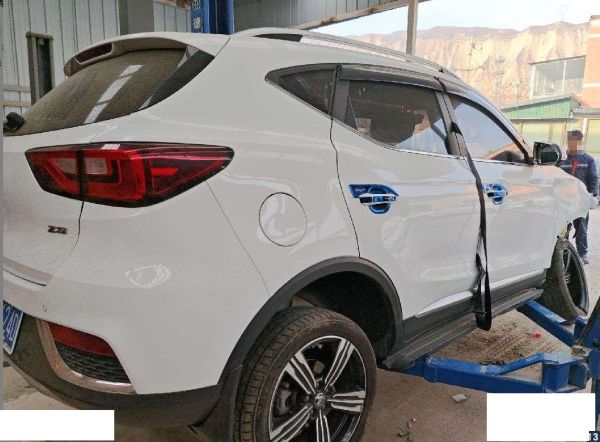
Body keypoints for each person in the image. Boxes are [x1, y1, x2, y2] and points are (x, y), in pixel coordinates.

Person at [560, 130, 599, 264]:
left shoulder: (588, 160)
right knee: (562, 228)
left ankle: (582, 254)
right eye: (570, 142)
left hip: (581, 201)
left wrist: (594, 196)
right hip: (564, 201)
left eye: (576, 142)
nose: (573, 145)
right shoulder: (562, 160)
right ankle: (562, 254)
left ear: (581, 142)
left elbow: (593, 179)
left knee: (581, 228)